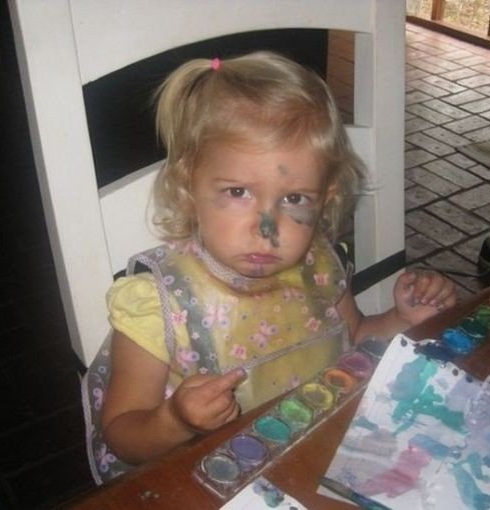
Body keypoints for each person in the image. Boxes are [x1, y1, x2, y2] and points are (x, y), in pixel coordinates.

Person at [82, 51, 457, 484]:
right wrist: (176, 420)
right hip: (207, 480)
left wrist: (401, 319)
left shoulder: (317, 266)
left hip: (313, 456)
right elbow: (122, 435)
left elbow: (353, 338)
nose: (267, 229)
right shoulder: (161, 302)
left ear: (325, 198)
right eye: (238, 191)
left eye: (294, 199)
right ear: (188, 187)